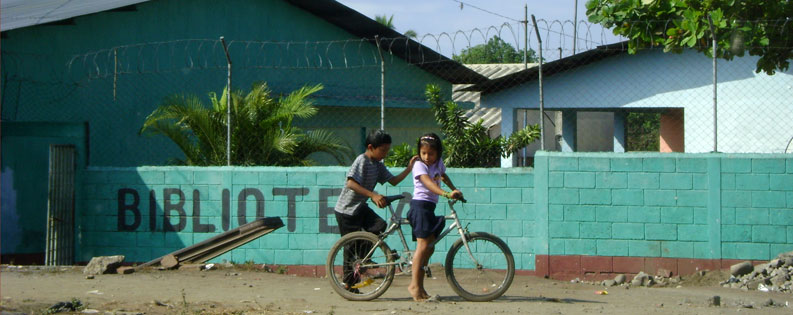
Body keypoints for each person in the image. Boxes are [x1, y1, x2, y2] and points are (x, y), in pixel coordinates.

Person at [334, 129, 418, 292]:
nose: (385, 154)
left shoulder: (378, 165)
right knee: (351, 247)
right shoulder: (362, 160)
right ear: (371, 147)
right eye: (383, 150)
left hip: (359, 207)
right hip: (346, 210)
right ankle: (349, 284)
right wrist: (372, 195)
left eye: (387, 150)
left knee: (379, 225)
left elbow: (393, 181)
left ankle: (366, 258)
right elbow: (351, 183)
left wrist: (409, 168)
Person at [406, 133, 463, 301]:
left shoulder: (438, 164)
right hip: (420, 207)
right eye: (423, 153)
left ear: (438, 153)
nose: (427, 157)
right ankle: (414, 286)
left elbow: (443, 176)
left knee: (430, 248)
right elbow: (428, 183)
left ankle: (421, 288)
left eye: (431, 154)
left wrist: (455, 190)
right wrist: (446, 193)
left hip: (429, 208)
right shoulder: (418, 165)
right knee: (423, 247)